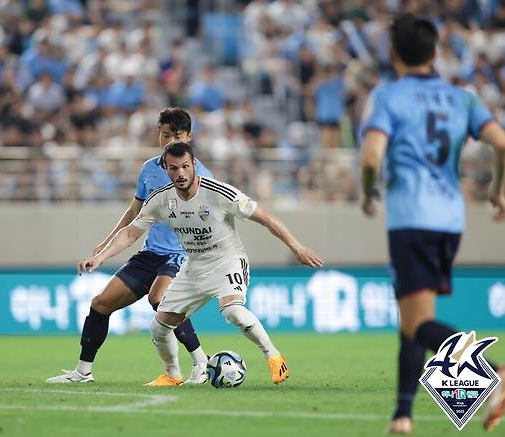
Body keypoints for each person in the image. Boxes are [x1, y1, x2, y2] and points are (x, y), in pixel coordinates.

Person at [359, 14, 505, 434]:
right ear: (434, 52)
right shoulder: (463, 97)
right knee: (413, 318)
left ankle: (494, 373)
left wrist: (368, 192)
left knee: (418, 324)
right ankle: (402, 415)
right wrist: (498, 190)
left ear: (393, 54)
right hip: (450, 220)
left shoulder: (388, 96)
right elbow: (500, 142)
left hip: (411, 218)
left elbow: (370, 157)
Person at [78, 142, 323, 386]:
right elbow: (131, 233)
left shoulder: (219, 193)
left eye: (185, 166)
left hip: (227, 260)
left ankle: (273, 356)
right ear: (166, 169)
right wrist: (100, 257)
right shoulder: (161, 200)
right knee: (159, 327)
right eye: (174, 169)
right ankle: (173, 375)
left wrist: (297, 248)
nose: (180, 174)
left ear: (193, 164)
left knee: (232, 311)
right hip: (194, 265)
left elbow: (266, 218)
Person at [46, 108, 213, 385]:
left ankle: (200, 362)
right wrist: (104, 247)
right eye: (165, 134)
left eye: (177, 135)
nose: (170, 141)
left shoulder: (201, 175)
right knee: (100, 304)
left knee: (160, 299)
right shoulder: (149, 169)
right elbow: (134, 213)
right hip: (150, 253)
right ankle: (83, 372)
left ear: (189, 137)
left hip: (182, 256)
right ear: (158, 135)